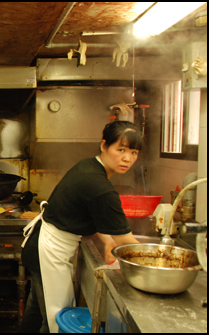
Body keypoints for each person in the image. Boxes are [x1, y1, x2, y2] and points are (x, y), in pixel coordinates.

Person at [20, 121, 142, 333]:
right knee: (55, 321)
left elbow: (86, 211)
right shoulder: (99, 185)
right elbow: (127, 244)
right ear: (104, 146)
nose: (127, 158)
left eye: (134, 152)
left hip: (41, 244)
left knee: (36, 310)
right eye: (121, 149)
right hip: (47, 250)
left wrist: (106, 239)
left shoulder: (89, 166)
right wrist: (161, 269)